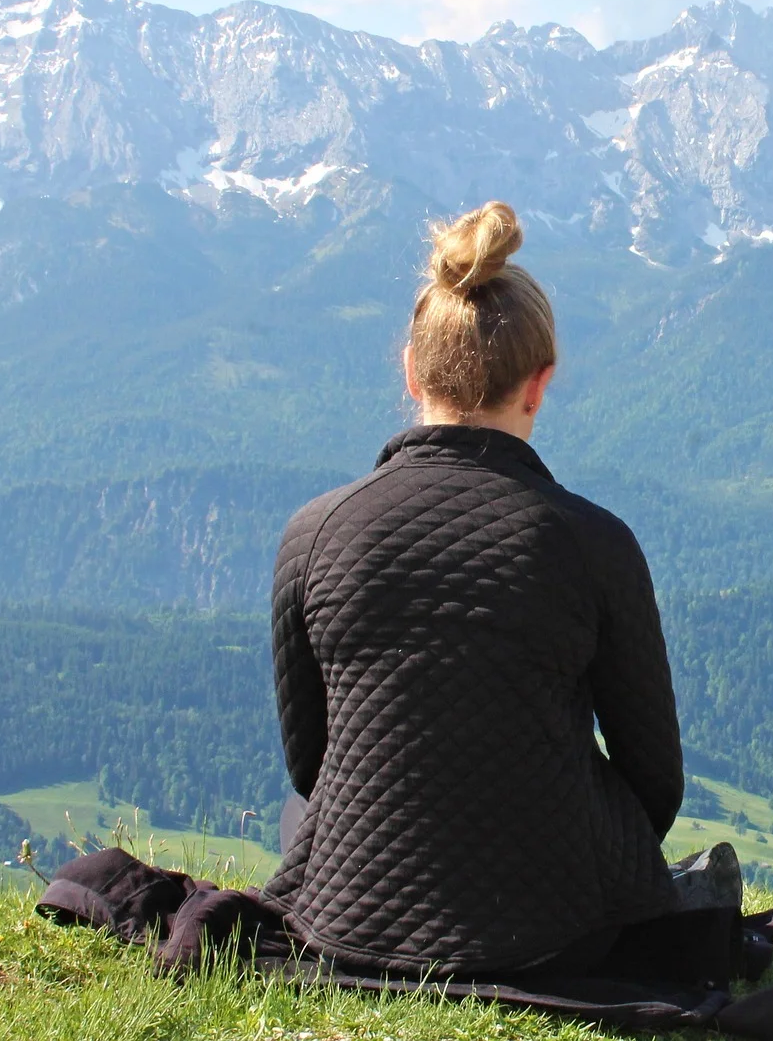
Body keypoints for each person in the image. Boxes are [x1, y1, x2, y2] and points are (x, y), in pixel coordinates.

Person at [259, 200, 694, 978]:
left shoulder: (312, 534)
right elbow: (654, 784)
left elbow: (312, 764)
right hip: (554, 931)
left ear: (411, 372)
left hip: (345, 917)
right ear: (539, 385)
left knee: (301, 814)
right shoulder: (597, 544)